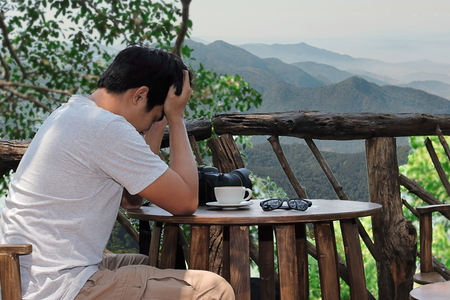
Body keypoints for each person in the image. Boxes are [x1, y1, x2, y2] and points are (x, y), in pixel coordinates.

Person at [0, 44, 235, 300]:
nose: (154, 120)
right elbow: (186, 202)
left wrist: (158, 123)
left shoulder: (73, 112)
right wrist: (177, 118)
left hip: (30, 274)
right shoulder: (106, 127)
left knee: (144, 262)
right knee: (213, 289)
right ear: (139, 95)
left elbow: (130, 200)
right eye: (158, 112)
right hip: (57, 286)